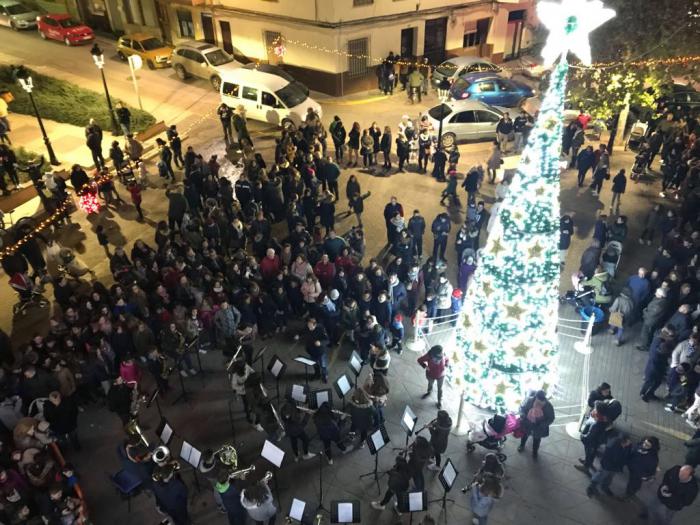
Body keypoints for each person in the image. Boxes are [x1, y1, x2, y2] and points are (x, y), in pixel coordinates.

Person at [586, 433, 633, 498]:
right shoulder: (613, 444)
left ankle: (604, 487)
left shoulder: (628, 446)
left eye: (629, 442)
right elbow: (610, 457)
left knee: (609, 478)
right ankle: (591, 488)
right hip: (607, 465)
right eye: (628, 442)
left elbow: (627, 455)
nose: (629, 443)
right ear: (623, 441)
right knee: (600, 475)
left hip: (615, 467)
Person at [517, 390, 555, 459]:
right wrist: (523, 415)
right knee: (525, 435)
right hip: (528, 423)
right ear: (535, 397)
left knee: (537, 439)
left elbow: (551, 418)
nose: (539, 403)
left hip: (539, 426)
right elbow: (522, 408)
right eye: (537, 401)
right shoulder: (529, 400)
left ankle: (535, 452)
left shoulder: (548, 406)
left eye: (541, 402)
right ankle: (522, 445)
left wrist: (542, 424)